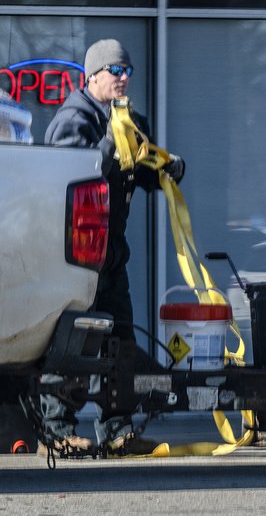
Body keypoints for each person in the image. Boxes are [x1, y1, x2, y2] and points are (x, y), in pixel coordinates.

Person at [40, 39, 185, 456]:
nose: (124, 78)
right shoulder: (74, 119)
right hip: (75, 257)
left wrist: (168, 168)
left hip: (111, 254)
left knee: (119, 343)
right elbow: (67, 178)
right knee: (73, 341)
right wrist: (109, 143)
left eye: (128, 71)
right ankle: (56, 432)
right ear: (93, 76)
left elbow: (144, 171)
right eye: (115, 70)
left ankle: (118, 431)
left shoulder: (128, 120)